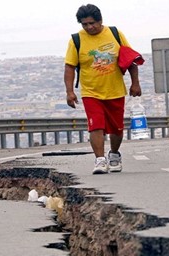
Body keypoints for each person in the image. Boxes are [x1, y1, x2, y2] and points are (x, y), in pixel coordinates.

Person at [64, 4, 142, 174]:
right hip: (91, 91)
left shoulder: (114, 34)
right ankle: (99, 160)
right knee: (95, 125)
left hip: (115, 90)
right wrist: (70, 92)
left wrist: (135, 83)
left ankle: (114, 154)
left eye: (92, 23)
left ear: (100, 20)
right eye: (85, 24)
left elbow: (130, 59)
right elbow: (69, 66)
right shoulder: (76, 40)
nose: (89, 27)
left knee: (116, 129)